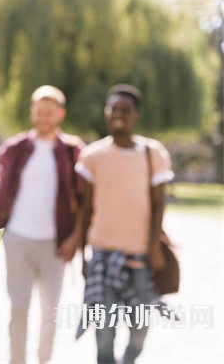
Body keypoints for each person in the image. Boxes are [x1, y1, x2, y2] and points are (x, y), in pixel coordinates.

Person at [72, 84, 174, 363]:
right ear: (106, 113)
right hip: (102, 257)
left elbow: (158, 204)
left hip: (140, 257)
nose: (118, 114)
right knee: (104, 333)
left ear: (136, 116)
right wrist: (82, 255)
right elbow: (85, 207)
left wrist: (153, 245)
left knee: (140, 328)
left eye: (125, 110)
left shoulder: (153, 154)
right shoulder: (92, 156)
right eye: (113, 108)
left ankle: (129, 360)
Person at [0, 85, 85, 364]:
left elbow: (83, 201)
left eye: (49, 112)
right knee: (18, 309)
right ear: (32, 111)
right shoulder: (14, 149)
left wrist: (75, 239)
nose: (43, 117)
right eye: (38, 111)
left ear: (60, 114)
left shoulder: (73, 150)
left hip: (55, 244)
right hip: (18, 240)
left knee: (50, 312)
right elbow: (1, 194)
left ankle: (44, 360)